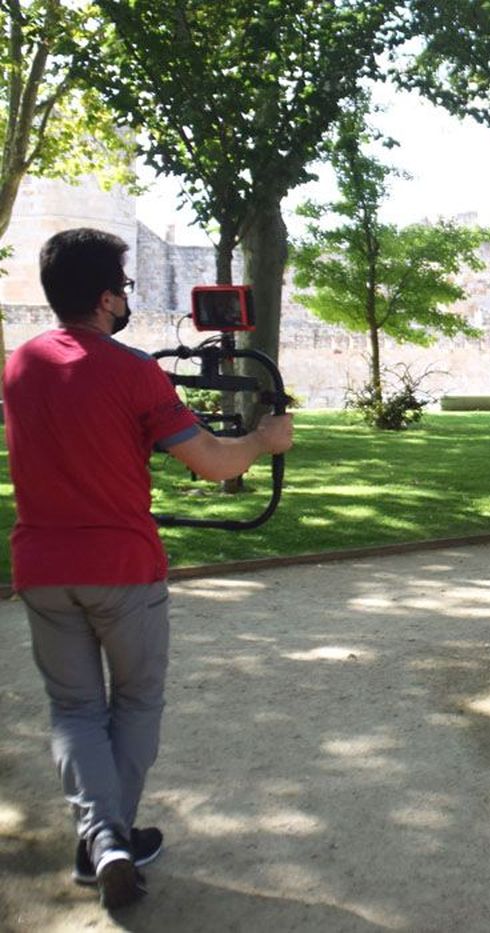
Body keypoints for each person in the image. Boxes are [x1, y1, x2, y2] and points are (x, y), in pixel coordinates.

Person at [4, 228, 294, 908]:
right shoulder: (132, 371)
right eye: (125, 290)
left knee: (74, 709)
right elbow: (212, 461)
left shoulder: (19, 365)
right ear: (106, 299)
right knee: (134, 700)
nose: (127, 300)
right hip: (122, 567)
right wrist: (262, 438)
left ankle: (101, 838)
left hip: (43, 566)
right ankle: (110, 837)